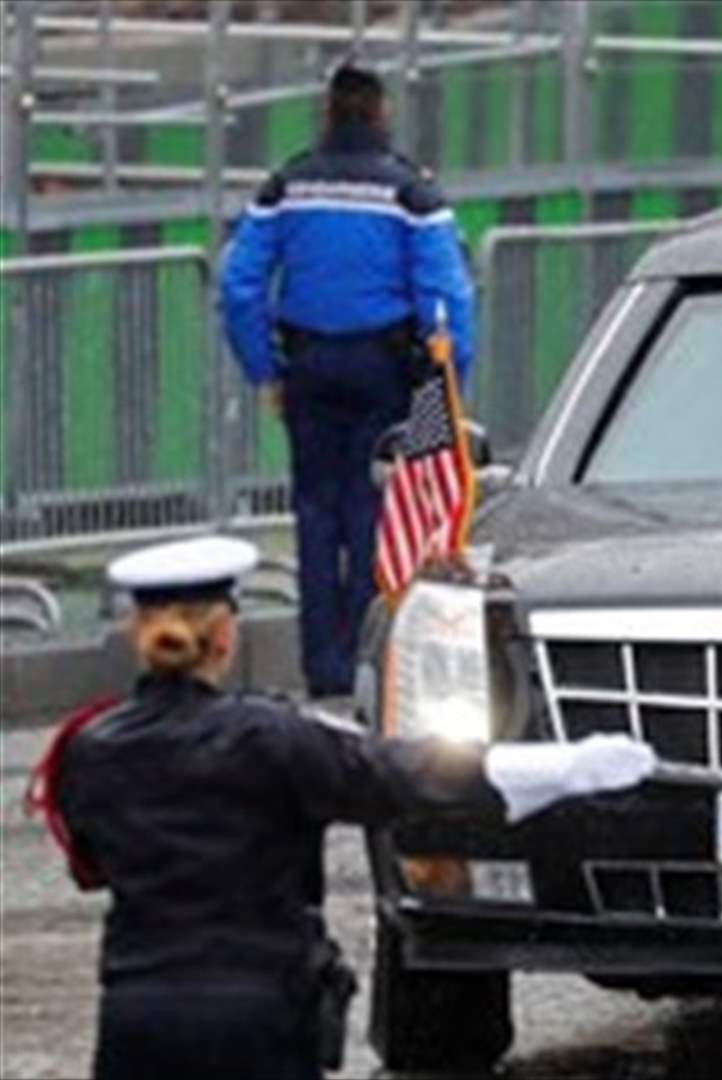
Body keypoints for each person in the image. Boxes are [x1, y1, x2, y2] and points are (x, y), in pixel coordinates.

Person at [37, 536, 653, 1080]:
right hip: (255, 1013)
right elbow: (406, 774)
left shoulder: (89, 749)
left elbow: (89, 864)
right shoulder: (273, 738)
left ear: (135, 635)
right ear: (225, 635)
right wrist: (567, 767)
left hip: (138, 1014)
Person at [220, 62, 475, 698]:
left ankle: (321, 669)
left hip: (307, 368)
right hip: (386, 370)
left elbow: (238, 282)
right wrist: (448, 384)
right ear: (381, 113)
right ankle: (369, 660)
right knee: (375, 512)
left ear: (328, 113)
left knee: (314, 512)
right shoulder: (410, 194)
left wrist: (264, 366)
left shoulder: (287, 186)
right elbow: (446, 297)